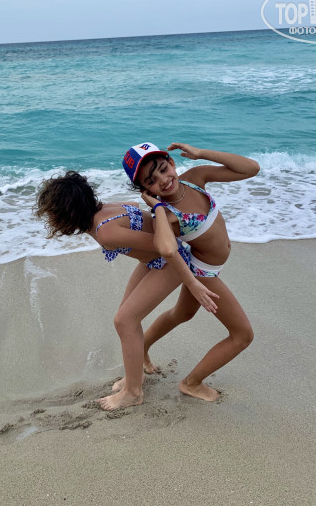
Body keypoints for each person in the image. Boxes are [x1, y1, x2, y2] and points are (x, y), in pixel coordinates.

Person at [35, 171, 220, 410]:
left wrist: (192, 282)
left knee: (125, 321)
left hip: (171, 262)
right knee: (126, 320)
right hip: (152, 261)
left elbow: (164, 246)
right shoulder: (106, 209)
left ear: (67, 214)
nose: (50, 219)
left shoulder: (105, 231)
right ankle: (137, 372)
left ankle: (133, 392)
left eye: (52, 214)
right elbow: (133, 205)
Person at [121, 142, 259, 402]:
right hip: (203, 273)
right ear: (145, 190)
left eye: (163, 169)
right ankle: (191, 383)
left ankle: (141, 349)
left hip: (210, 266)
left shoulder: (194, 178)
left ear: (171, 162)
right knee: (242, 335)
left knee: (181, 314)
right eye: (151, 181)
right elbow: (166, 249)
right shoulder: (166, 214)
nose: (163, 180)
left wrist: (201, 153)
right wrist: (157, 208)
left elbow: (251, 168)